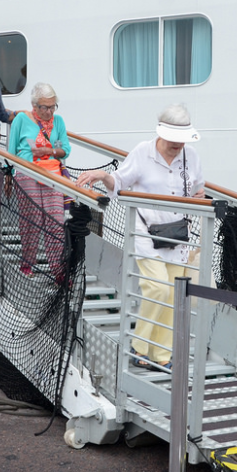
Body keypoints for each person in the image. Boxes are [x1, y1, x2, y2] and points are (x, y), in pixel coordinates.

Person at [76, 104, 204, 369]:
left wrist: (199, 199)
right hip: (145, 231)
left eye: (182, 140)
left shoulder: (190, 156)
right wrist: (102, 175)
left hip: (178, 233)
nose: (178, 145)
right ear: (161, 132)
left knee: (174, 295)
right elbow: (119, 182)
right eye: (173, 139)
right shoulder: (143, 152)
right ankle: (139, 346)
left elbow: (198, 190)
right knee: (157, 287)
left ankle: (162, 356)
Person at [7, 82, 71, 277]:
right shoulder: (21, 119)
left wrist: (49, 150)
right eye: (45, 107)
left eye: (53, 106)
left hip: (52, 174)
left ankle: (58, 270)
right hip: (27, 172)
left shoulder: (58, 122)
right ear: (34, 106)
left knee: (56, 221)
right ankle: (27, 265)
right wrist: (8, 176)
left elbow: (63, 150)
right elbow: (11, 151)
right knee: (30, 221)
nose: (49, 111)